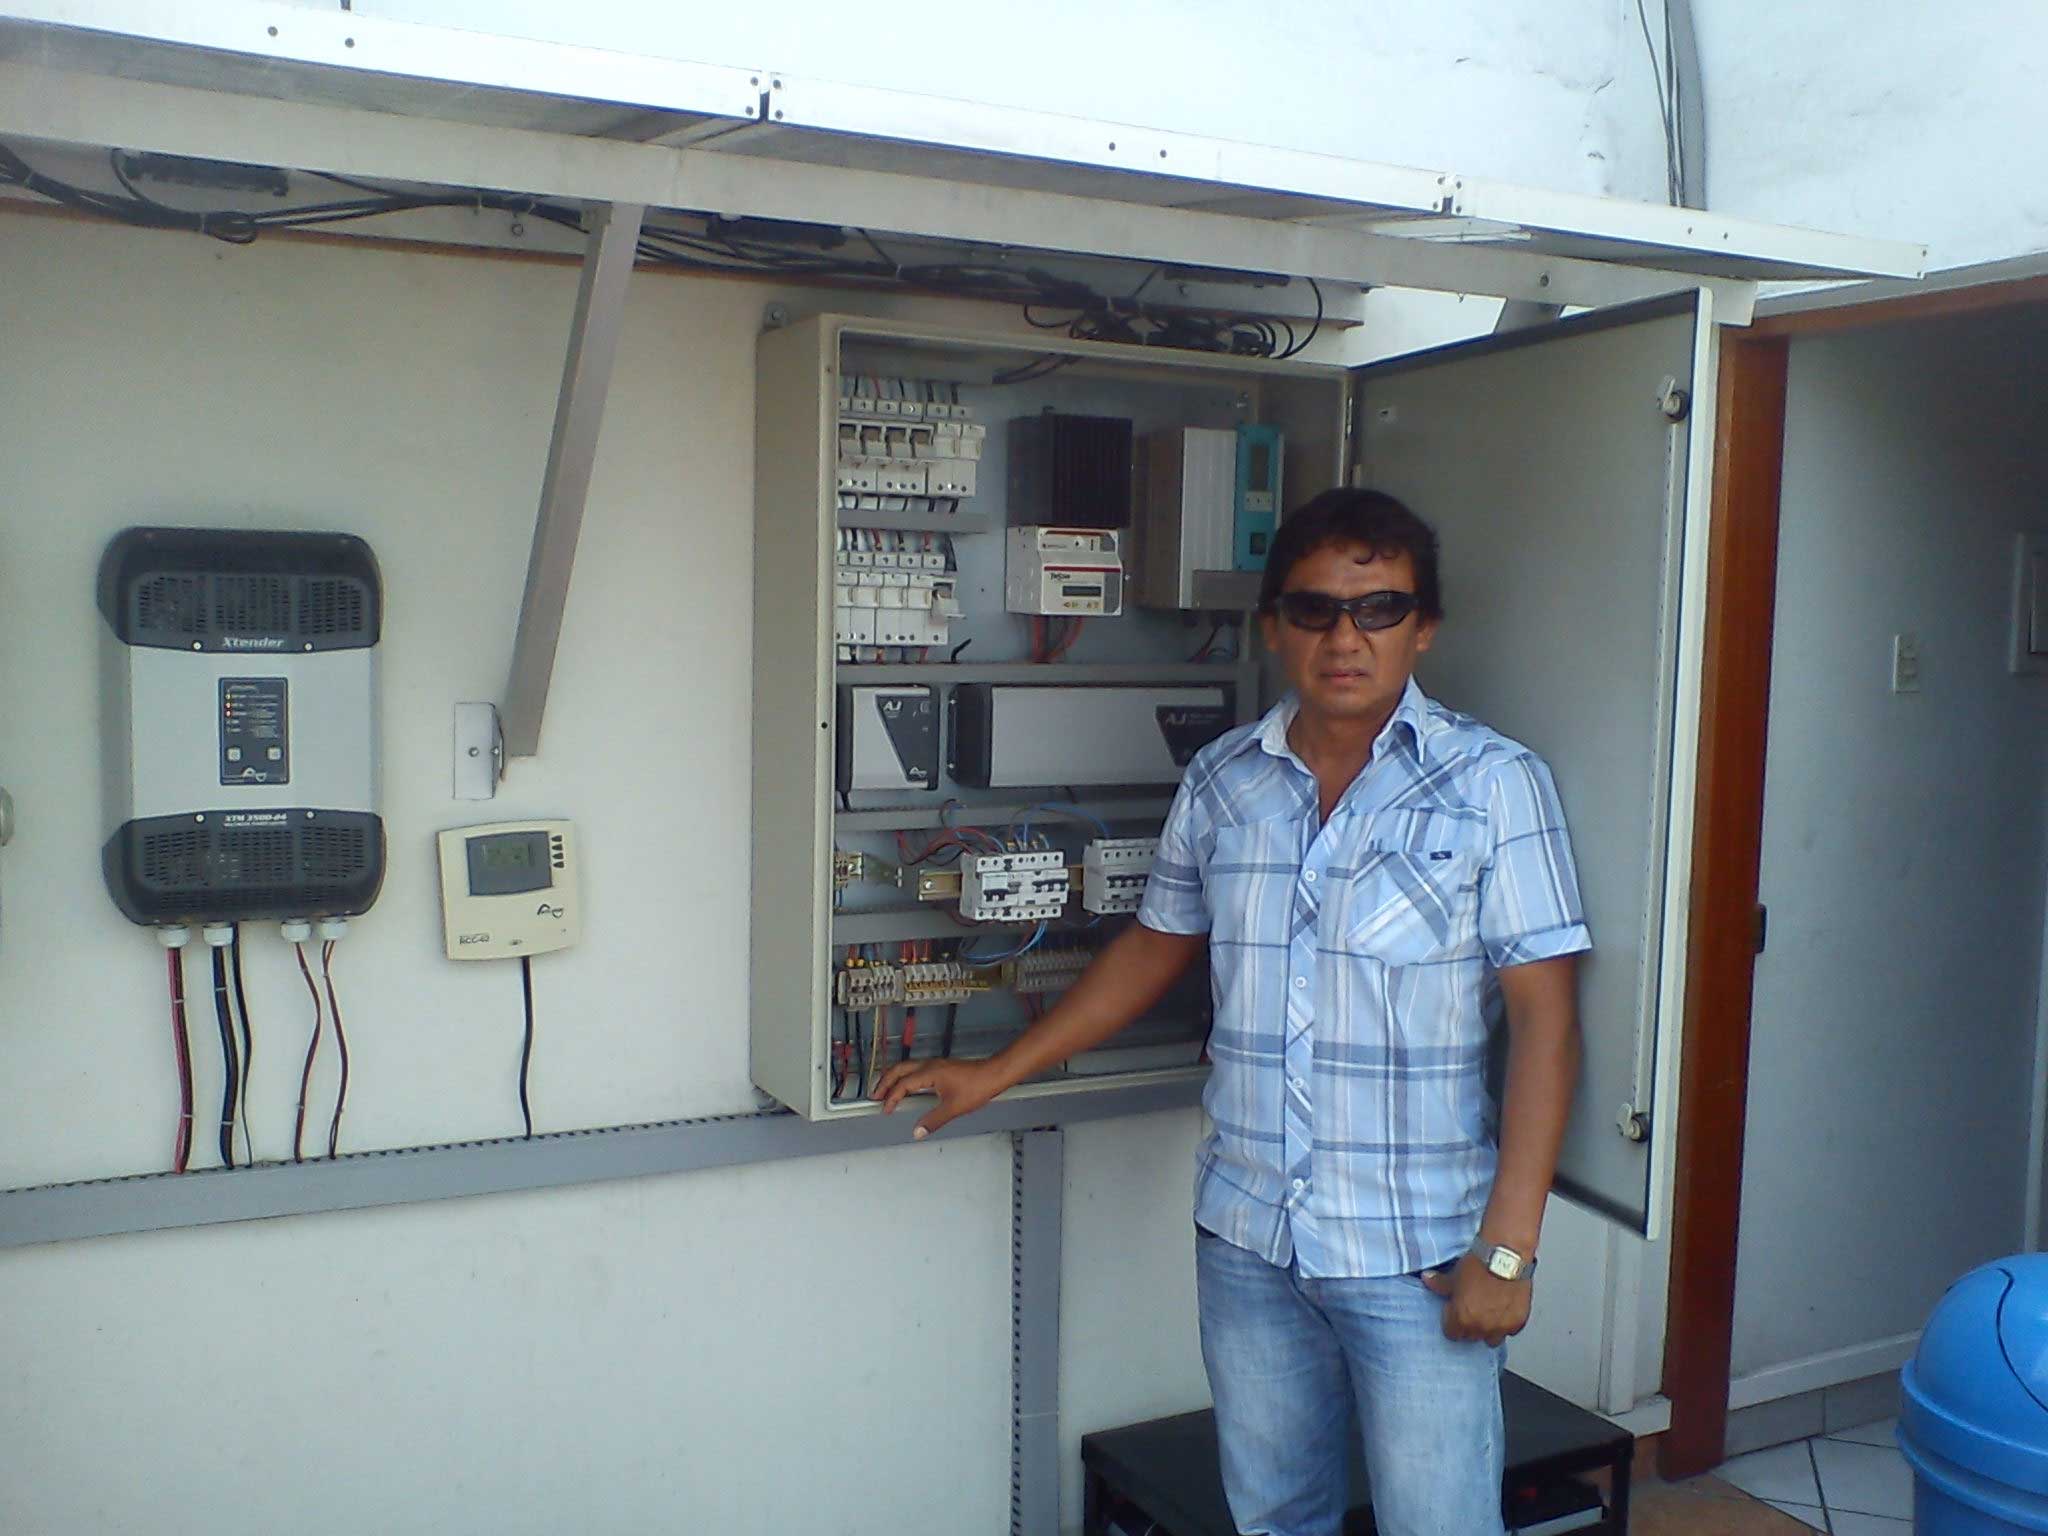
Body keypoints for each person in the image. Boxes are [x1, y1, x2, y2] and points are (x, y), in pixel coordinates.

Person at [877, 487, 1588, 1536]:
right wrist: (994, 1072)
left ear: (1423, 627)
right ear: (1273, 628)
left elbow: (1545, 1024)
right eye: (1313, 610)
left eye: (1378, 609)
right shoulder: (1224, 780)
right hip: (1249, 1238)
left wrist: (1509, 1248)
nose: (1344, 637)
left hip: (1421, 1253)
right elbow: (1152, 948)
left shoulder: (1494, 786)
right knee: (1273, 1520)